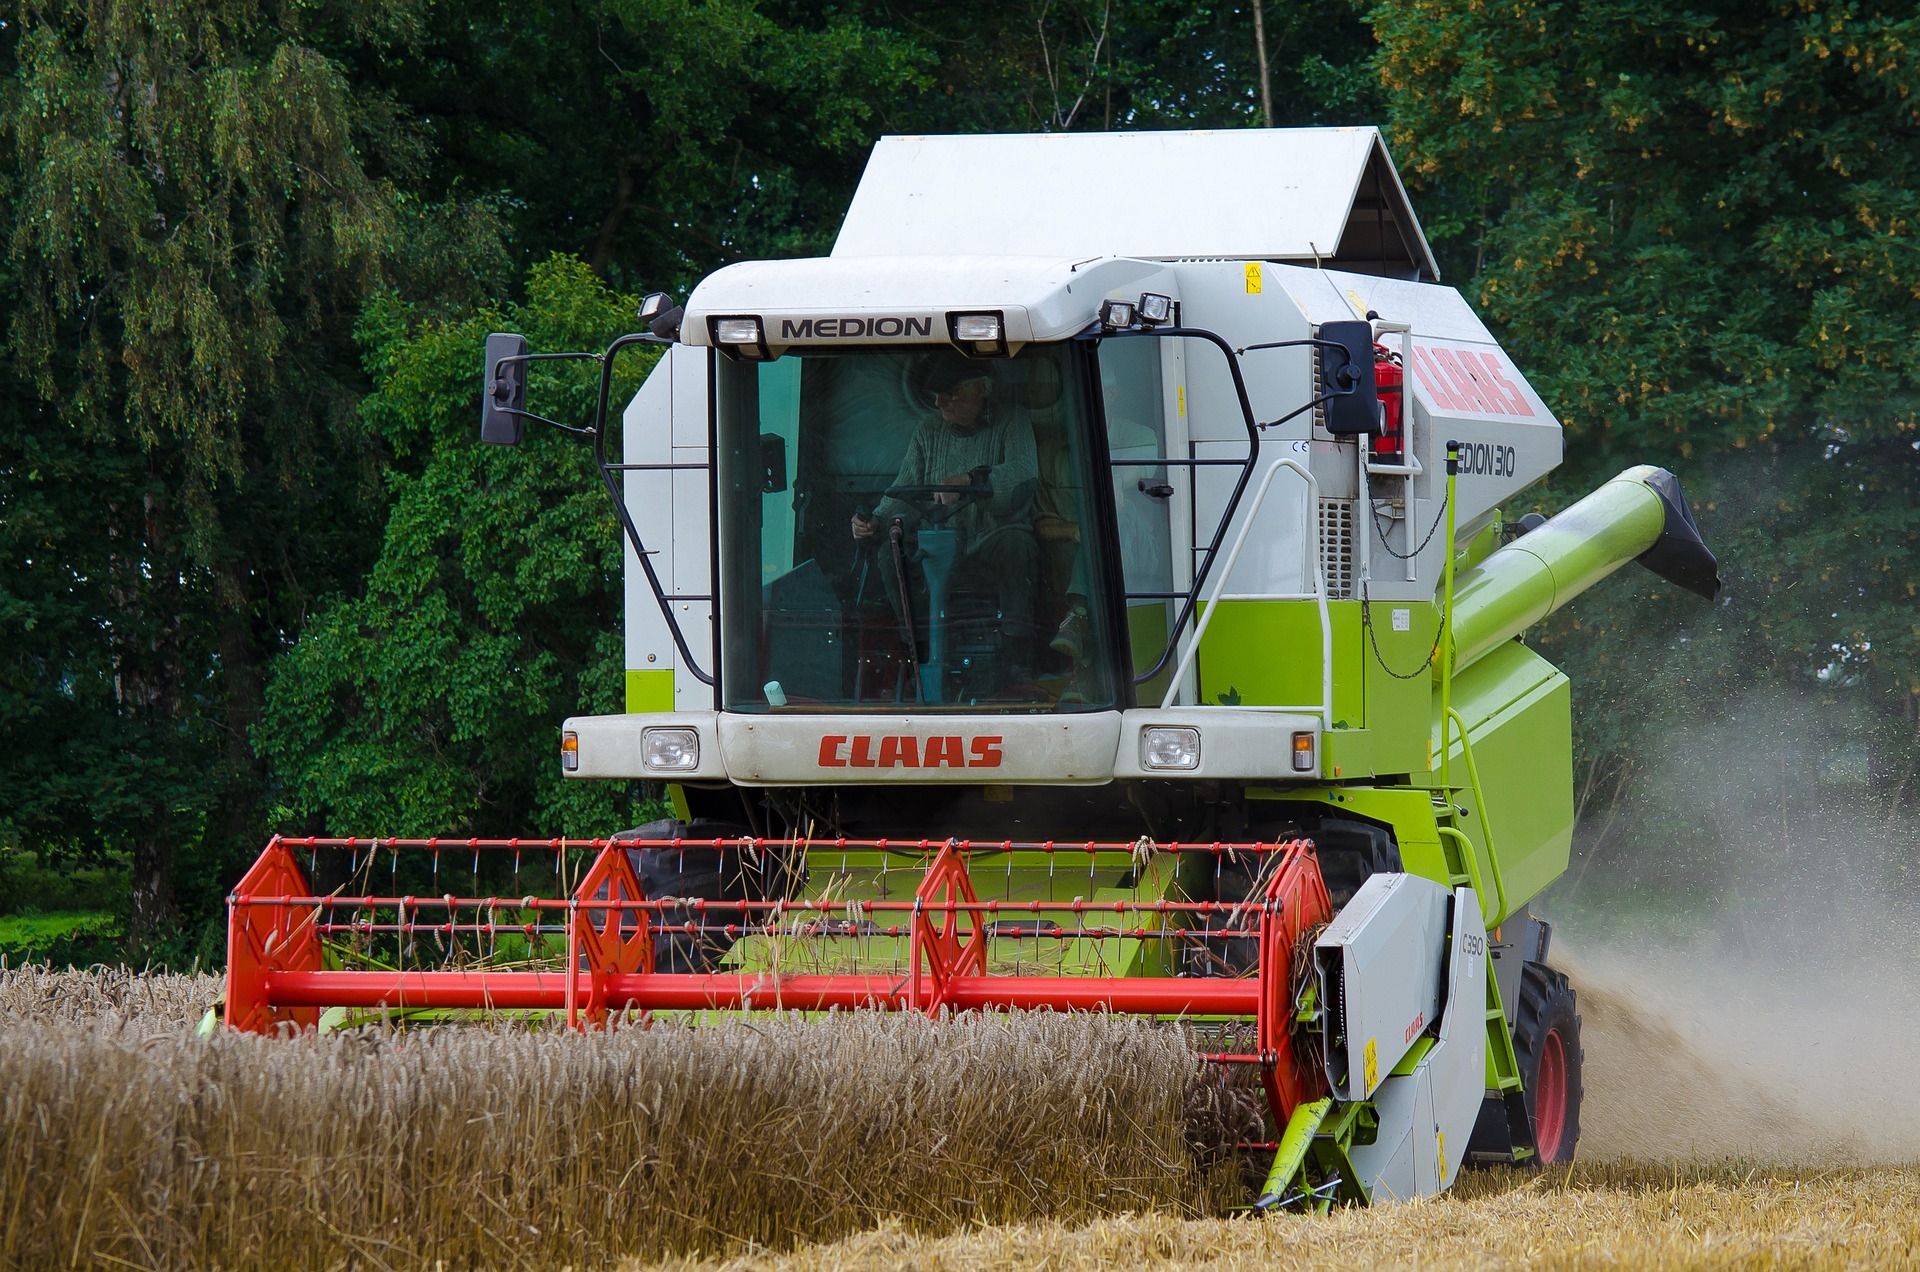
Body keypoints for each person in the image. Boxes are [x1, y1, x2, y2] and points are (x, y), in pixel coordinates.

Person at [850, 352, 1042, 683]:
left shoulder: (1014, 421)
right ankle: (917, 649)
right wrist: (876, 521)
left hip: (989, 541)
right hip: (936, 545)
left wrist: (971, 480)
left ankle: (1016, 655)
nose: (940, 403)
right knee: (889, 553)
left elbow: (1024, 473)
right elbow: (905, 489)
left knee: (1019, 544)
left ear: (981, 389)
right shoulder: (928, 431)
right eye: (936, 395)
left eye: (950, 393)